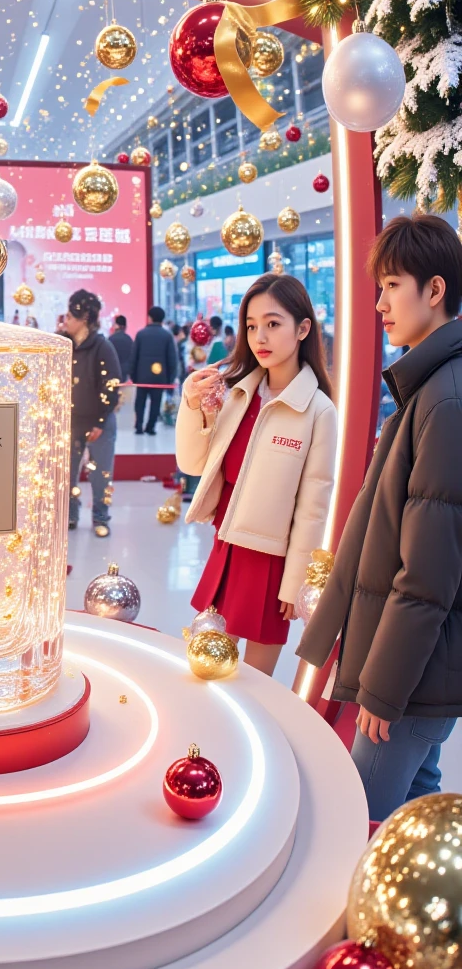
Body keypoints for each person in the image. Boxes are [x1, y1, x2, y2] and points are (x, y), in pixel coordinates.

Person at [297, 214, 462, 820]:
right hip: (423, 670)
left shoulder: (444, 398)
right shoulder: (431, 385)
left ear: (435, 290)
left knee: (356, 822)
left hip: (415, 679)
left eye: (392, 285)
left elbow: (427, 573)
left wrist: (386, 691)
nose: (379, 303)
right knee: (414, 820)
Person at [177, 272, 336, 677]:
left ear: (302, 329)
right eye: (251, 326)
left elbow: (314, 503)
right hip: (226, 545)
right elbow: (194, 466)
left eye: (273, 324)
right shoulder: (235, 393)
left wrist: (295, 579)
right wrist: (193, 405)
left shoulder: (317, 410)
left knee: (256, 684)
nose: (259, 337)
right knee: (210, 670)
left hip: (272, 562)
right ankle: (211, 741)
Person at [61, 289, 121, 537]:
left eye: (70, 316)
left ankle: (100, 517)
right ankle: (71, 516)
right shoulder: (62, 345)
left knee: (100, 475)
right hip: (71, 423)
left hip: (100, 424)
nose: (65, 320)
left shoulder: (102, 347)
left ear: (84, 318)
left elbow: (111, 386)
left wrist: (99, 421)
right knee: (68, 474)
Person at [131, 305, 178, 435]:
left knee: (140, 402)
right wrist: (170, 379)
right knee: (155, 403)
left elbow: (134, 357)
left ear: (150, 318)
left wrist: (133, 375)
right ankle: (151, 427)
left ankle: (138, 426)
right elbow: (172, 359)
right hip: (159, 377)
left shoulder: (141, 334)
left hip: (142, 377)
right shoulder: (167, 336)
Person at [109, 313, 135, 381]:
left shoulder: (110, 339)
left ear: (116, 325)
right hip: (125, 373)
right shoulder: (129, 339)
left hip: (112, 372)